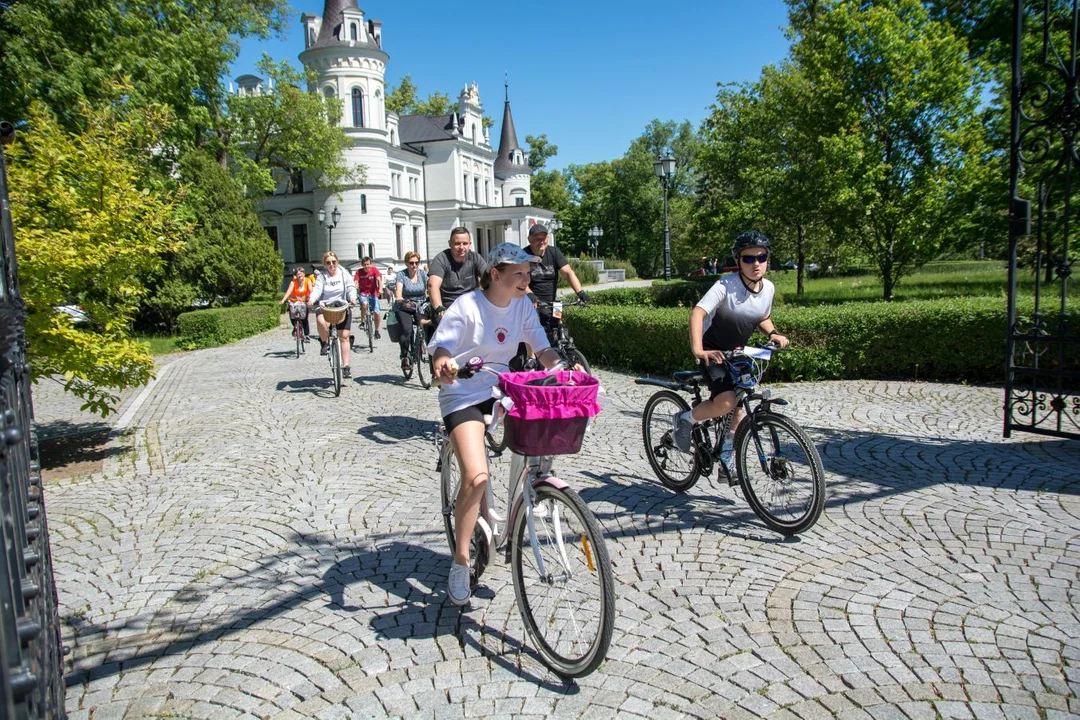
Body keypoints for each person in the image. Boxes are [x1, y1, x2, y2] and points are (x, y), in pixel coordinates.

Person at [429, 242, 562, 606]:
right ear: (495, 275)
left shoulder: (522, 306)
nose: (526, 279)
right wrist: (443, 362)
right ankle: (460, 560)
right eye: (518, 273)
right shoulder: (468, 306)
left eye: (528, 273)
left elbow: (543, 348)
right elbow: (440, 349)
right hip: (464, 394)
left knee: (538, 439)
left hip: (503, 390)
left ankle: (526, 500)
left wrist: (561, 369)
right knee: (477, 477)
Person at [671, 231, 789, 464]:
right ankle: (685, 419)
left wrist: (773, 333)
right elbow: (697, 313)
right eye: (748, 258)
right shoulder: (725, 285)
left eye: (761, 257)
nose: (756, 263)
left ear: (767, 259)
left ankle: (727, 459)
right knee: (726, 402)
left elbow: (761, 316)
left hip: (737, 351)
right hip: (711, 350)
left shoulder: (769, 288)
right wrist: (698, 351)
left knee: (739, 403)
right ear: (738, 261)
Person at [523, 223, 589, 333]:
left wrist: (580, 292)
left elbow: (568, 273)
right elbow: (520, 280)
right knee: (534, 334)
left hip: (553, 303)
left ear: (547, 238)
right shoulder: (524, 255)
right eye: (537, 238)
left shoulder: (554, 252)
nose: (541, 241)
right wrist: (530, 295)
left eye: (543, 238)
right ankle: (532, 350)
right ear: (529, 239)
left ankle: (562, 347)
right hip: (532, 303)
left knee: (559, 329)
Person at [308, 251, 358, 379]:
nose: (331, 265)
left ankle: (346, 366)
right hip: (325, 305)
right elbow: (317, 289)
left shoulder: (344, 274)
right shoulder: (322, 277)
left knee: (344, 336)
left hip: (341, 305)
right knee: (320, 321)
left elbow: (351, 287)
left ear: (337, 262)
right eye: (328, 263)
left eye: (334, 262)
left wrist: (352, 298)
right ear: (325, 264)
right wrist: (312, 299)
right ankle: (324, 342)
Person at [428, 227, 484, 321]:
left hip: (471, 305)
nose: (461, 247)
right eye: (457, 244)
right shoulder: (441, 259)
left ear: (470, 244)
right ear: (450, 243)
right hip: (448, 307)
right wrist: (439, 308)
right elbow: (432, 285)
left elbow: (490, 279)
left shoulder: (475, 258)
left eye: (465, 243)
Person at [394, 251, 428, 371]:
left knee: (428, 324)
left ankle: (423, 345)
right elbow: (398, 290)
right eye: (411, 263)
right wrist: (400, 298)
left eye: (416, 263)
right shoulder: (401, 275)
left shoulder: (423, 274)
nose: (414, 265)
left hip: (420, 305)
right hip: (405, 305)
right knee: (407, 329)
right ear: (406, 263)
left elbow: (430, 286)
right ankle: (404, 356)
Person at [353, 257, 383, 340]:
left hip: (373, 293)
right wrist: (354, 289)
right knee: (364, 304)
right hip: (363, 293)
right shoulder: (359, 272)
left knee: (377, 312)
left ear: (371, 264)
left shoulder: (374, 270)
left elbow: (379, 280)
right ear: (362, 265)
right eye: (365, 264)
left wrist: (380, 288)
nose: (366, 266)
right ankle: (362, 321)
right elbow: (355, 282)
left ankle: (377, 330)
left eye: (368, 264)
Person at [279, 267, 312, 338]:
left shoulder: (308, 281)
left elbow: (311, 290)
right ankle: (296, 328)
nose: (300, 275)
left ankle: (307, 335)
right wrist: (283, 300)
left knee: (305, 318)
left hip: (304, 301)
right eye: (298, 274)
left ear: (304, 274)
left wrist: (311, 299)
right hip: (294, 301)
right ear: (296, 275)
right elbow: (289, 291)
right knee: (292, 317)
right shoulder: (293, 282)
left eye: (301, 273)